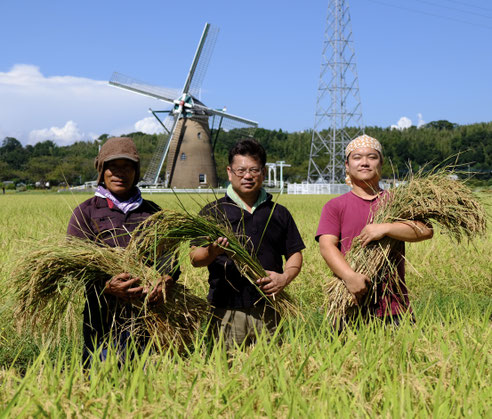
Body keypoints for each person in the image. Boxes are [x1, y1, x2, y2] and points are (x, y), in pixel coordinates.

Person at [67, 137, 178, 364]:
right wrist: (107, 286)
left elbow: (172, 262)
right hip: (102, 319)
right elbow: (74, 267)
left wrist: (164, 281)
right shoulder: (86, 212)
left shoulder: (154, 213)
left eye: (127, 167)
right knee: (102, 383)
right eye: (113, 167)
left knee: (147, 385)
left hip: (149, 318)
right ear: (102, 171)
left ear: (135, 172)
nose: (120, 173)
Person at [190, 138, 305, 348]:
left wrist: (285, 277)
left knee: (272, 371)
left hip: (269, 308)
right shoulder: (213, 212)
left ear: (263, 172)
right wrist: (214, 251)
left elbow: (294, 253)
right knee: (226, 373)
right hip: (225, 310)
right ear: (229, 172)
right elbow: (195, 259)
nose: (248, 176)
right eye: (241, 170)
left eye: (254, 170)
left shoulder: (278, 213)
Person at [316, 135, 433, 323]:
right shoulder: (335, 206)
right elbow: (326, 246)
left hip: (394, 305)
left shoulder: (397, 202)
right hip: (348, 302)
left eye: (372, 157)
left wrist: (386, 228)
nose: (364, 162)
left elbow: (425, 230)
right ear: (347, 165)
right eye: (357, 157)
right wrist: (349, 277)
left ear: (381, 163)